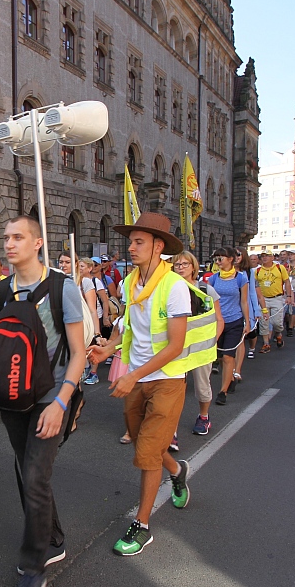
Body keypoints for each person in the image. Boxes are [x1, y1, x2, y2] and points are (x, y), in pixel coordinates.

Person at [88, 212, 198, 559]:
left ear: (158, 245)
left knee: (147, 452)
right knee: (143, 442)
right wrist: (109, 346)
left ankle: (143, 525)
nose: (131, 247)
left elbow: (175, 345)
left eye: (138, 242)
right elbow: (127, 322)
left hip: (165, 380)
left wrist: (132, 375)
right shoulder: (131, 282)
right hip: (136, 376)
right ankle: (178, 470)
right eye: (131, 241)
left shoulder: (175, 286)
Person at [0, 215, 86, 587]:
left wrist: (62, 402)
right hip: (12, 399)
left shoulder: (63, 288)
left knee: (34, 475)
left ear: (38, 243)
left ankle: (33, 569)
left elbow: (79, 353)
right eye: (6, 238)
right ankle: (55, 539)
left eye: (18, 237)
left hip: (52, 397)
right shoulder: (1, 290)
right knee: (27, 472)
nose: (9, 244)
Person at [173, 251, 224, 436]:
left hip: (201, 347)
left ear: (193, 266)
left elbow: (219, 319)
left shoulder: (205, 289)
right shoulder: (168, 289)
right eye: (177, 265)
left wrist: (212, 341)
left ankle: (204, 417)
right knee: (173, 387)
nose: (181, 268)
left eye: (185, 264)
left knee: (202, 385)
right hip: (176, 346)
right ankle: (171, 428)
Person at [208, 247, 249, 406]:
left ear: (231, 259)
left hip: (234, 321)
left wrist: (248, 321)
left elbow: (244, 301)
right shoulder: (213, 279)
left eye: (221, 257)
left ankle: (222, 391)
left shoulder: (240, 278)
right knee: (217, 356)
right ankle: (230, 378)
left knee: (228, 356)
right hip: (217, 322)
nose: (218, 261)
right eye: (216, 258)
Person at [255, 250, 292, 353]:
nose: (264, 258)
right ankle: (266, 343)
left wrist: (289, 296)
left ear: (272, 258)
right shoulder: (258, 271)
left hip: (277, 298)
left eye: (267, 256)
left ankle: (278, 333)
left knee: (277, 322)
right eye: (262, 256)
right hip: (263, 299)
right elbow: (255, 286)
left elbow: (287, 282)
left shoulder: (280, 268)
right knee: (264, 322)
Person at [78, 257, 105, 385]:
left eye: (83, 266)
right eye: (79, 265)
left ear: (89, 268)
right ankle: (87, 367)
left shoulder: (93, 281)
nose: (80, 268)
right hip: (81, 319)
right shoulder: (71, 280)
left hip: (93, 317)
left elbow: (103, 300)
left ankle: (93, 373)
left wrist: (104, 317)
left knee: (93, 345)